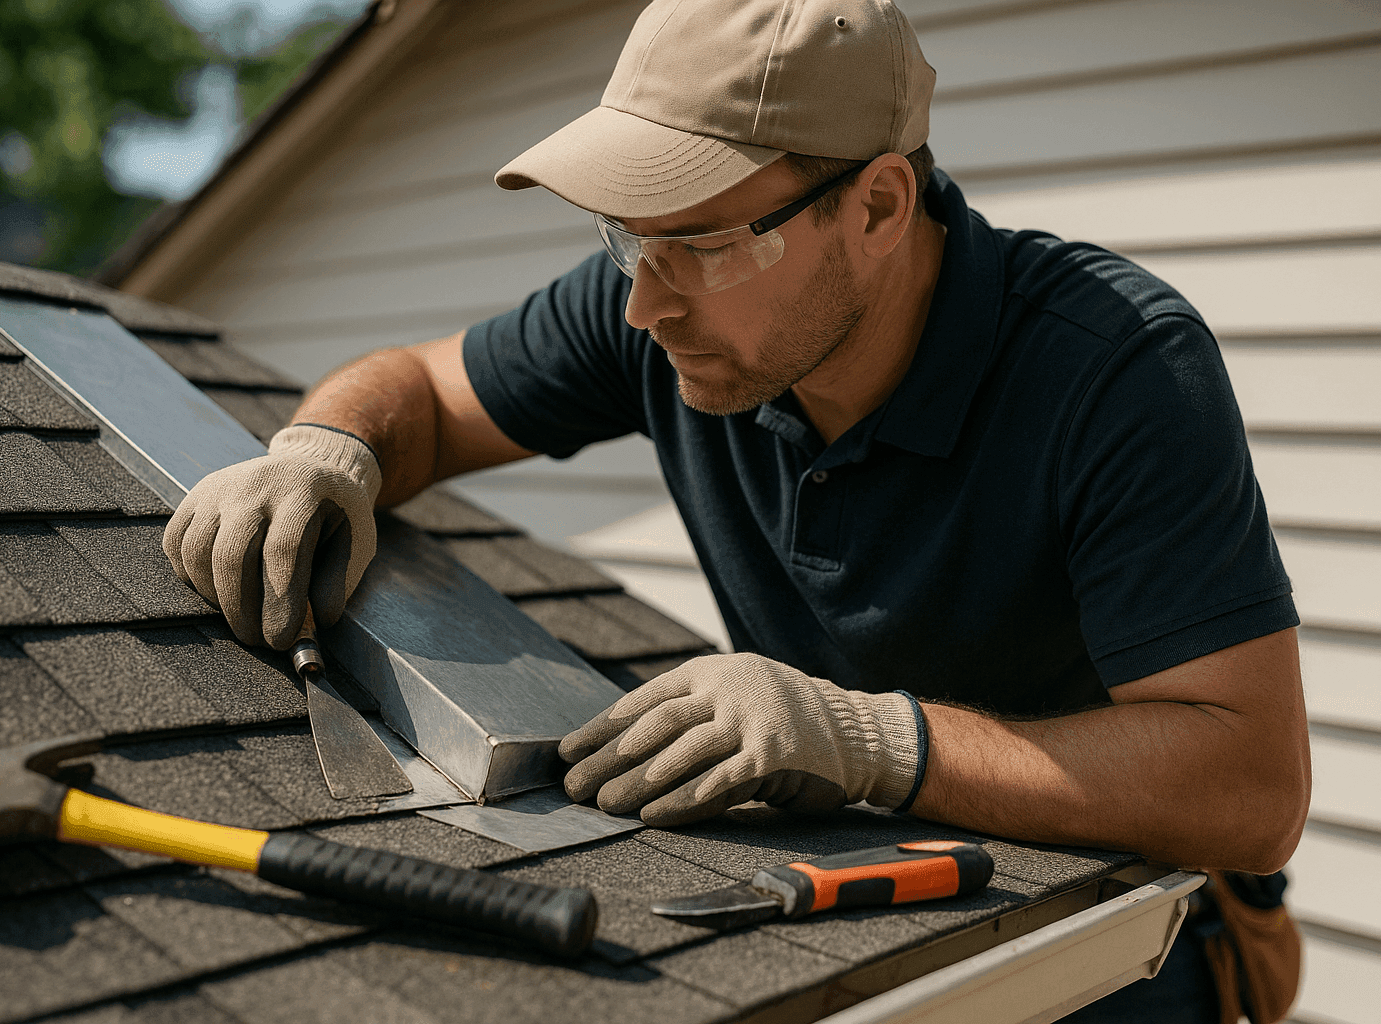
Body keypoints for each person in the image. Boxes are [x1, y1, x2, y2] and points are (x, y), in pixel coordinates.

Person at [163, 1, 1309, 1017]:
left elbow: (1253, 789)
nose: (643, 306)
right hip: (844, 900)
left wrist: (867, 738)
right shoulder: (665, 303)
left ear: (878, 204)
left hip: (1105, 933)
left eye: (701, 244)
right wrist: (328, 448)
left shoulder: (1114, 368)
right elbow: (419, 392)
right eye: (625, 237)